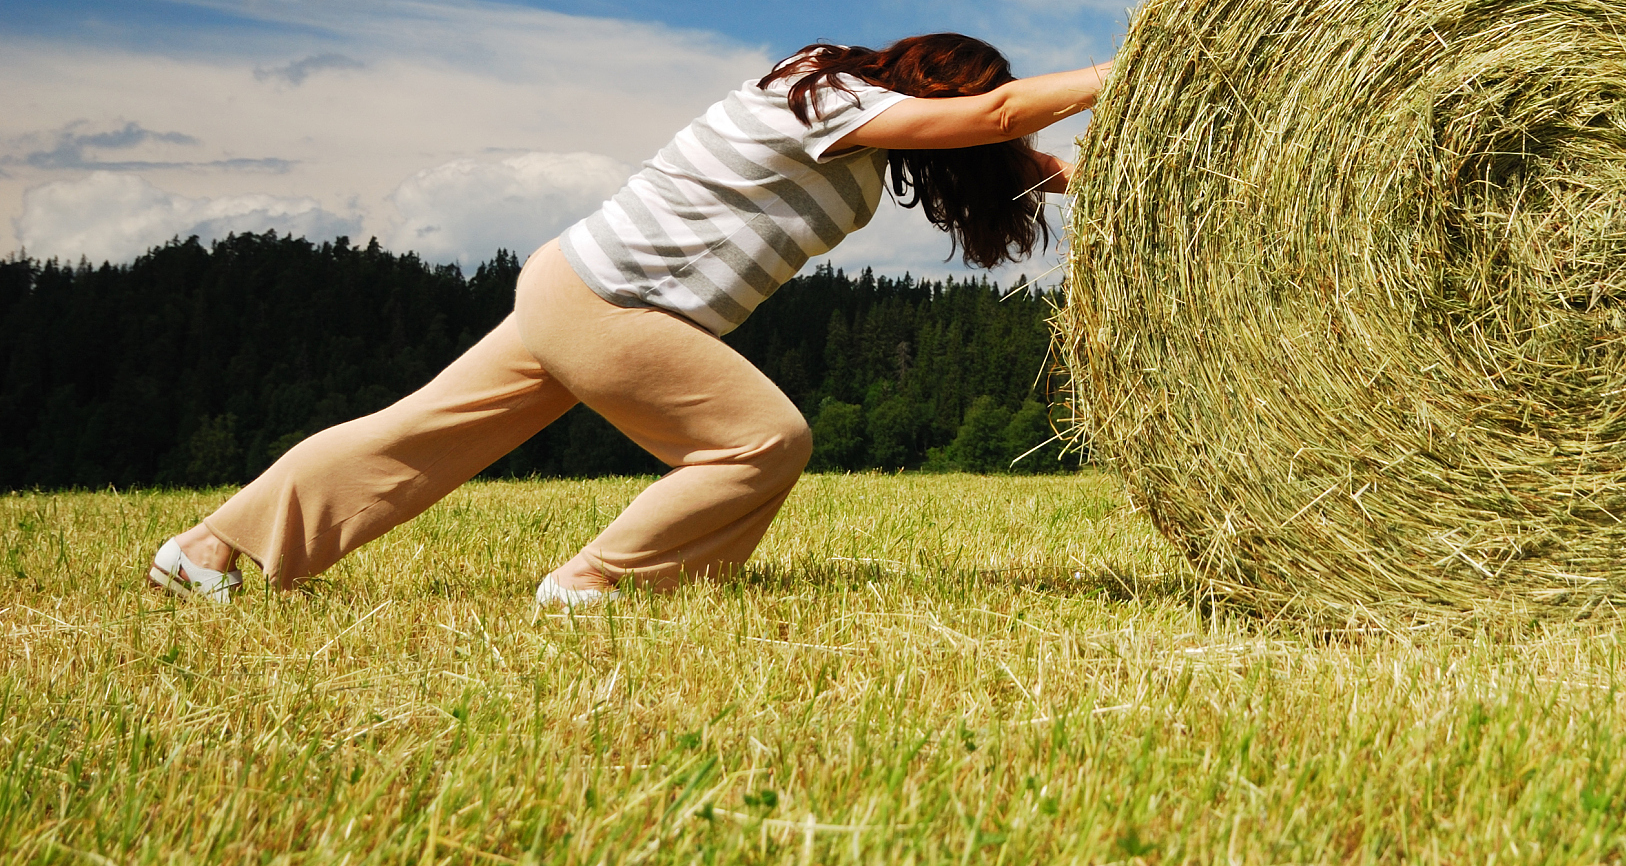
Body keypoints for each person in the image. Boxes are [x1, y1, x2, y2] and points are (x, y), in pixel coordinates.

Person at [145, 33, 1104, 609]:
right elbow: (1003, 112)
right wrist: (1139, 62)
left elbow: (1013, 146)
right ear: (937, 87)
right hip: (613, 304)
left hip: (579, 288)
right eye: (975, 105)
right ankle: (595, 583)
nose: (991, 122)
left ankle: (204, 552)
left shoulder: (857, 133)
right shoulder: (828, 95)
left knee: (419, 434)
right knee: (762, 442)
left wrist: (1142, 170)